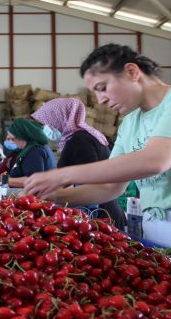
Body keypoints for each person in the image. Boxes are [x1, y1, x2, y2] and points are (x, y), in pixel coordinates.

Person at [24, 43, 171, 259]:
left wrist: (62, 175)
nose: (100, 100)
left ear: (132, 72)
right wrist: (52, 196)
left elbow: (156, 160)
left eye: (102, 88)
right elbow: (110, 187)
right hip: (162, 240)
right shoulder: (131, 123)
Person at [32, 98, 125, 229]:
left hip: (99, 217)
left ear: (60, 118)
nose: (47, 128)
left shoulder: (80, 141)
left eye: (49, 123)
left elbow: (89, 181)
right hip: (100, 213)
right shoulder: (84, 136)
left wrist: (50, 195)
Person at [6, 118, 56, 187]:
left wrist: (5, 180)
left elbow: (33, 180)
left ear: (21, 136)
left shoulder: (34, 152)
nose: (13, 142)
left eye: (13, 139)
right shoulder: (38, 147)